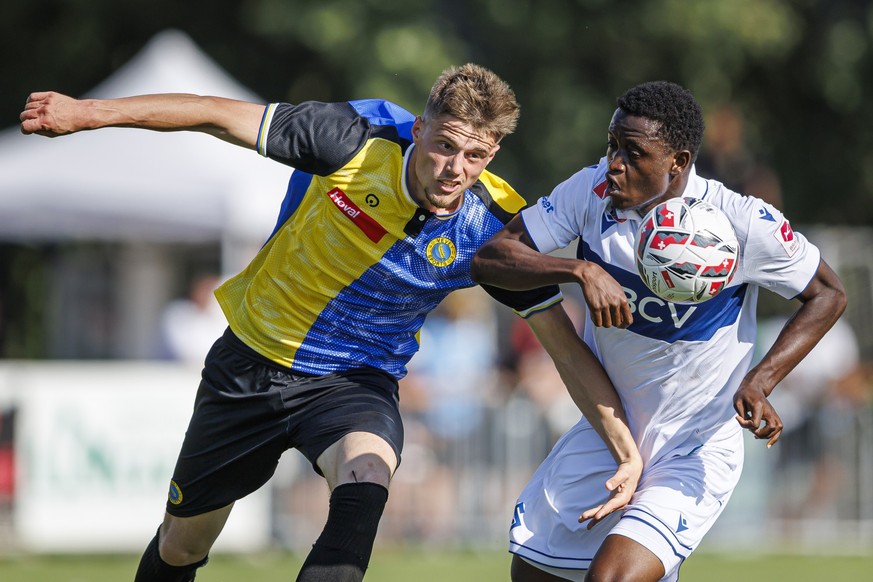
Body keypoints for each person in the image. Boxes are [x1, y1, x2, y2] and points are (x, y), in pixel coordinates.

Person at [20, 64, 642, 582]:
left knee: (369, 475)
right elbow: (214, 111)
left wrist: (626, 452)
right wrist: (86, 113)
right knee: (183, 546)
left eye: (474, 155)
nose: (455, 167)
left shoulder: (494, 229)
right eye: (444, 145)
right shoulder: (353, 137)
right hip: (252, 360)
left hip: (353, 385)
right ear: (420, 129)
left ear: (493, 154)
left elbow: (561, 343)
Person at [470, 80, 847, 581]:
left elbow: (828, 293)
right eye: (612, 145)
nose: (614, 162)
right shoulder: (591, 191)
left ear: (678, 160)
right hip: (610, 433)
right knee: (533, 572)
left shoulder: (738, 222)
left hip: (694, 445)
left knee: (613, 578)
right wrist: (578, 270)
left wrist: (761, 380)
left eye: (633, 151)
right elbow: (491, 258)